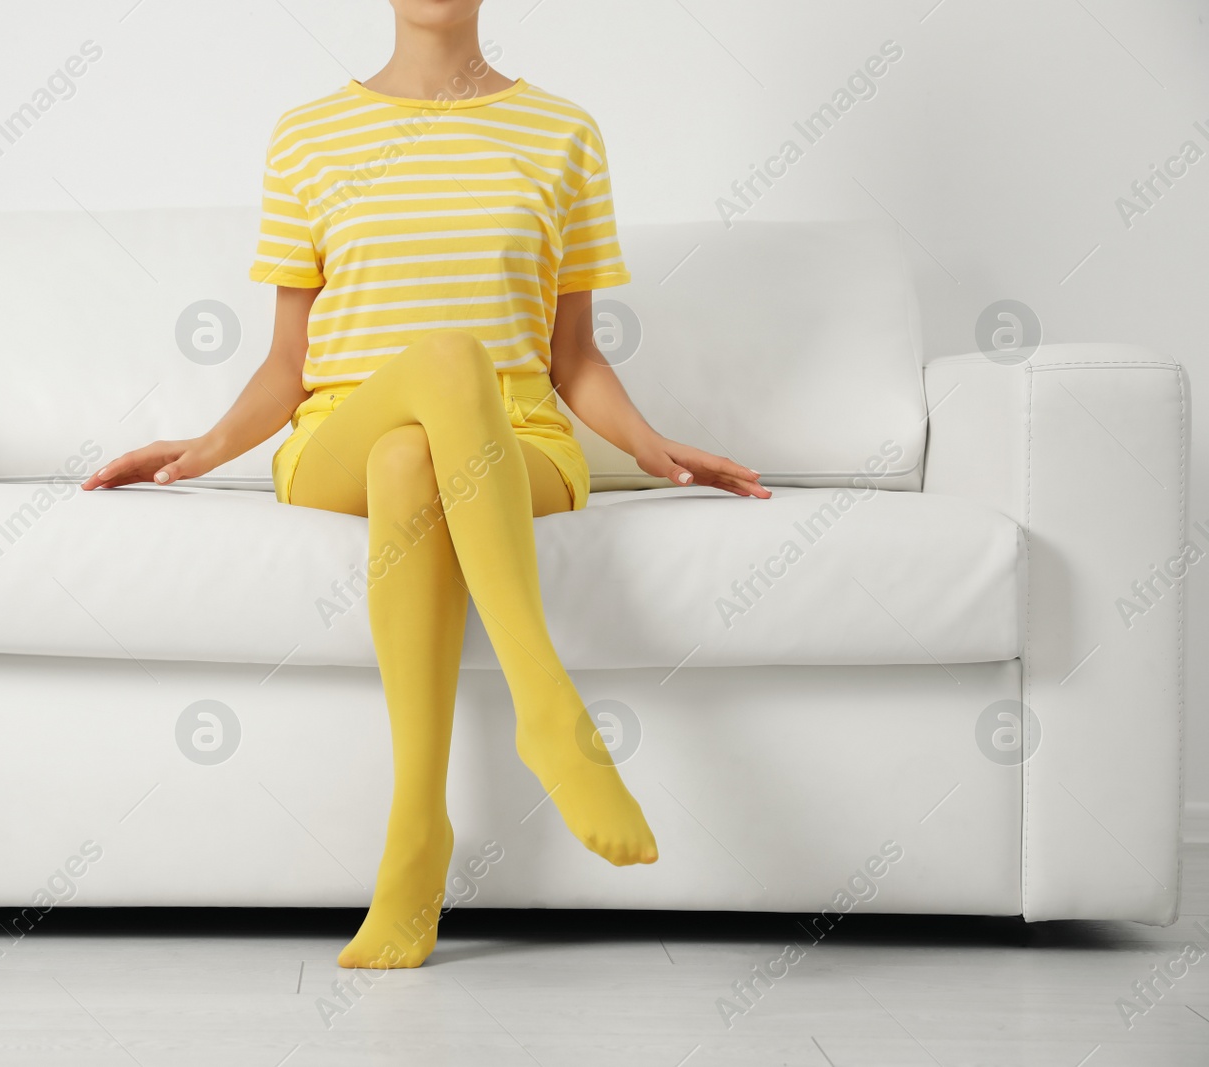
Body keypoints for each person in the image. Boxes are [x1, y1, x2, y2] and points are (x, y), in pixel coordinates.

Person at [82, 0, 769, 969]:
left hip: (515, 443)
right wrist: (204, 446)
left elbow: (572, 361)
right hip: (335, 440)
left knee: (416, 455)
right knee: (439, 371)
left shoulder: (563, 133)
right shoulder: (308, 135)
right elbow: (288, 362)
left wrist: (653, 447)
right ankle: (548, 710)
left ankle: (415, 843)